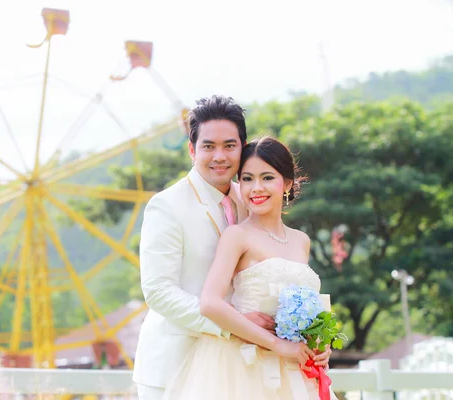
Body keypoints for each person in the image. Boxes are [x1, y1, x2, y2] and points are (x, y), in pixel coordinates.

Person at [161, 136, 336, 399]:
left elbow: (306, 305)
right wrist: (277, 344)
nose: (256, 188)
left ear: (287, 183)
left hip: (295, 370)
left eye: (267, 178)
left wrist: (320, 345)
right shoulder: (237, 235)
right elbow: (210, 303)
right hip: (244, 366)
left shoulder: (302, 240)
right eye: (246, 179)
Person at [132, 95, 276, 399]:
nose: (219, 156)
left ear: (243, 148)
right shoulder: (166, 206)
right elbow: (159, 291)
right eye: (208, 146)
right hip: (173, 368)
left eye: (229, 145)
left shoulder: (251, 200)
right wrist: (233, 324)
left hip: (238, 369)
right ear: (191, 149)